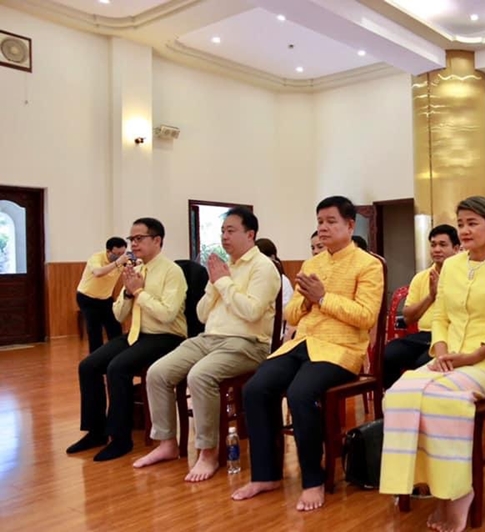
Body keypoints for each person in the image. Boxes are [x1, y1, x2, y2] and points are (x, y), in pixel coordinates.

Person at [379, 196, 485, 532]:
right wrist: (442, 350)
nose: (465, 230)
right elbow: (441, 316)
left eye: (472, 223)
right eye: (461, 224)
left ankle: (458, 492)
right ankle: (427, 484)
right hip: (448, 358)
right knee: (399, 394)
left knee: (442, 398)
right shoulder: (453, 266)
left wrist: (473, 357)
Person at [231, 196, 383, 512]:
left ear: (350, 225)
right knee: (255, 389)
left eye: (331, 221)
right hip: (302, 343)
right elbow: (292, 314)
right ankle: (266, 475)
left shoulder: (368, 264)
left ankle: (313, 479)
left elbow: (366, 316)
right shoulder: (312, 264)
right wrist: (308, 300)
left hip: (342, 350)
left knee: (301, 393)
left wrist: (323, 298)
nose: (323, 228)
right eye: (319, 222)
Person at [133, 208, 281, 481]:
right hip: (209, 338)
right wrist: (215, 285)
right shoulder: (224, 267)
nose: (224, 236)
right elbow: (201, 314)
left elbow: (251, 312)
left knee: (200, 376)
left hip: (247, 344)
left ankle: (208, 452)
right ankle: (166, 443)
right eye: (222, 231)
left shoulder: (263, 267)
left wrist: (223, 283)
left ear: (250, 234)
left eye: (231, 231)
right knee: (157, 372)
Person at [67, 218, 187, 461]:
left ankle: (121, 438)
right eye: (131, 239)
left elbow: (167, 314)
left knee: (117, 368)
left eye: (139, 238)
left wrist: (139, 292)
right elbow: (118, 314)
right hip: (137, 334)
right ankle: (96, 431)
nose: (134, 244)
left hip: (166, 336)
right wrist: (129, 294)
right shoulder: (136, 269)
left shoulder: (172, 271)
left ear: (157, 240)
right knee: (88, 366)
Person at [382, 224, 460, 389]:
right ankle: (393, 398)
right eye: (433, 245)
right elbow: (408, 318)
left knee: (422, 363)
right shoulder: (421, 278)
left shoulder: (463, 276)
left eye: (443, 245)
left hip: (450, 337)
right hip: (423, 336)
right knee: (388, 353)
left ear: (456, 248)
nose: (437, 249)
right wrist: (431, 296)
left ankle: (421, 400)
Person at [76, 237, 129, 354]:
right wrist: (117, 262)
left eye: (122, 253)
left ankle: (116, 356)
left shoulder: (124, 260)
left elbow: (137, 266)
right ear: (108, 251)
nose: (120, 256)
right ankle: (96, 360)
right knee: (95, 331)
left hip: (105, 298)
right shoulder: (96, 258)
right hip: (87, 297)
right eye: (117, 254)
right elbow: (98, 272)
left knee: (115, 328)